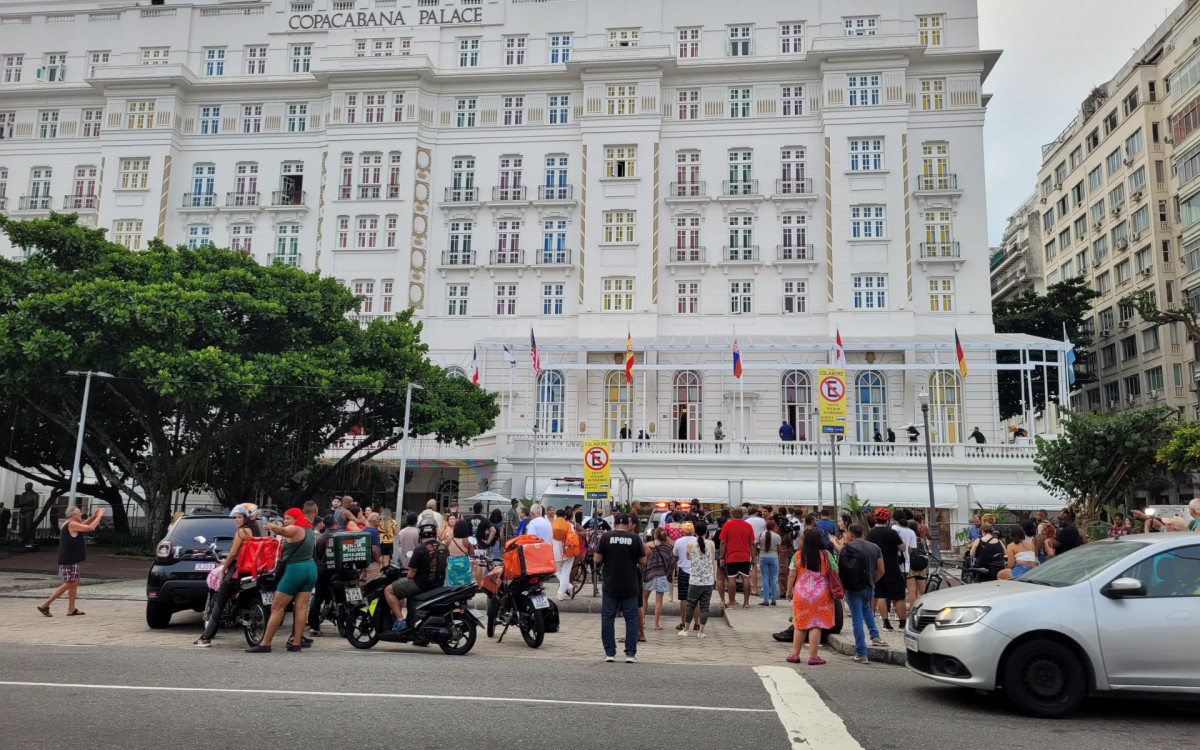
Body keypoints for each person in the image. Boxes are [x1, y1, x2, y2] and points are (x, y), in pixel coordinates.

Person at [247, 508, 318, 653]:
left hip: (295, 571)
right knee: (301, 607)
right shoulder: (309, 530)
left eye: (289, 518)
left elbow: (284, 531)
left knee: (276, 607)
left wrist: (271, 526)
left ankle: (266, 643)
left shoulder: (295, 528)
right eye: (285, 518)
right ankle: (296, 643)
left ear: (297, 519)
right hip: (310, 569)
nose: (286, 521)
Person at [35, 505, 104, 618]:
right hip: (69, 559)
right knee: (70, 582)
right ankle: (45, 604)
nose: (81, 514)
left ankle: (71, 608)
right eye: (79, 512)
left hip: (72, 558)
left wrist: (94, 516)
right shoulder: (71, 524)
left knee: (75, 581)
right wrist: (100, 515)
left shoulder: (70, 523)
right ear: (73, 515)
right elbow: (91, 527)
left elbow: (84, 524)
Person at [595, 513, 647, 663]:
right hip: (630, 584)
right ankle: (630, 654)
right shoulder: (635, 538)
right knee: (631, 619)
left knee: (607, 618)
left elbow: (597, 558)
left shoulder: (606, 537)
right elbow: (643, 559)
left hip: (610, 584)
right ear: (628, 524)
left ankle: (610, 653)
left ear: (615, 523)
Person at [831, 522, 886, 663]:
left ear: (851, 534)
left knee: (857, 619)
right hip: (868, 587)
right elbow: (881, 570)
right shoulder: (874, 547)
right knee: (866, 608)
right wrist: (872, 580)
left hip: (852, 588)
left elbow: (839, 569)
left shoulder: (846, 548)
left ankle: (861, 653)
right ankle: (875, 636)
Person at [383, 522, 447, 632]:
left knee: (388, 590)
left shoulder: (420, 549)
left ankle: (400, 620)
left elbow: (411, 573)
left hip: (421, 584)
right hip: (438, 583)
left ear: (421, 534)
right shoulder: (443, 547)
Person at [786, 529, 835, 665]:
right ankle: (813, 657)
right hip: (821, 595)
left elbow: (791, 574)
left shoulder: (797, 555)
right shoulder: (826, 555)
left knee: (800, 624)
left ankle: (794, 654)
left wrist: (788, 591)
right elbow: (835, 571)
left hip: (801, 594)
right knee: (816, 624)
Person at [866, 508, 906, 629]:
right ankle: (902, 622)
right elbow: (903, 548)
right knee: (898, 596)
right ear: (887, 520)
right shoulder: (892, 533)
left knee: (881, 595)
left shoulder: (871, 533)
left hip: (877, 568)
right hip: (892, 567)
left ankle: (886, 622)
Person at [680, 520, 716, 638]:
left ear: (694, 532)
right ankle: (701, 631)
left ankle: (685, 629)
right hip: (708, 580)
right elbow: (712, 560)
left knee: (691, 605)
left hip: (694, 580)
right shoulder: (711, 544)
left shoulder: (690, 544)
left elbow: (688, 557)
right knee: (705, 606)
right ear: (706, 531)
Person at [719, 506, 756, 610]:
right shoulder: (748, 526)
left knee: (731, 579)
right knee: (746, 578)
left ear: (732, 515)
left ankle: (731, 602)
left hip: (731, 556)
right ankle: (746, 603)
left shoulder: (727, 525)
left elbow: (722, 542)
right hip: (744, 556)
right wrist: (753, 558)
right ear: (742, 515)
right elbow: (752, 543)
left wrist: (721, 557)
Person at [641, 527, 674, 631]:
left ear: (654, 535)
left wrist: (643, 574)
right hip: (662, 576)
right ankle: (656, 624)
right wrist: (669, 576)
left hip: (649, 574)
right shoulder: (668, 547)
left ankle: (642, 622)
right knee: (659, 601)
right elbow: (672, 563)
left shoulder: (648, 545)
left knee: (644, 599)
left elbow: (642, 560)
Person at [890, 509, 919, 605]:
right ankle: (909, 608)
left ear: (894, 518)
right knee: (907, 588)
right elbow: (911, 549)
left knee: (893, 589)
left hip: (892, 562)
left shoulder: (892, 528)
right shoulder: (911, 532)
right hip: (906, 563)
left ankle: (894, 608)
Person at [672, 521, 696, 630]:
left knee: (683, 599)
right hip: (696, 572)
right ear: (693, 531)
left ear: (682, 530)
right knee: (696, 599)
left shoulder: (678, 541)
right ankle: (697, 623)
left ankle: (683, 622)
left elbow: (675, 556)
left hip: (683, 571)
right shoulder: (698, 541)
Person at [968, 514, 1006, 582]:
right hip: (996, 570)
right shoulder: (999, 541)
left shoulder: (978, 541)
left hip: (982, 570)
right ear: (992, 531)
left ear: (982, 531)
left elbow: (972, 555)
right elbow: (1005, 553)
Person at [552, 505, 575, 601]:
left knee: (557, 571)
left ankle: (563, 591)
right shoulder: (570, 525)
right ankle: (565, 589)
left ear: (556, 516)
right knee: (566, 573)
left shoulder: (552, 525)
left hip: (556, 552)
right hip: (568, 552)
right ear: (565, 516)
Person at [757, 520, 781, 606]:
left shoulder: (760, 534)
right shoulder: (777, 536)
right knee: (773, 578)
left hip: (763, 557)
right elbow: (779, 549)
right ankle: (773, 599)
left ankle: (766, 599)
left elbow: (756, 544)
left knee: (765, 578)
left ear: (766, 526)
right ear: (774, 527)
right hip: (774, 557)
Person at [445, 518, 474, 587]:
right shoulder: (468, 541)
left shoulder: (449, 540)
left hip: (452, 563)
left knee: (452, 584)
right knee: (465, 585)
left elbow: (446, 553)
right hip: (464, 563)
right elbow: (472, 554)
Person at [360, 513, 384, 585]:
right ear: (375, 521)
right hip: (372, 562)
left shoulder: (363, 530)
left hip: (364, 561)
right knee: (371, 584)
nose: (380, 521)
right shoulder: (374, 532)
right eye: (380, 519)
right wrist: (379, 562)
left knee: (361, 583)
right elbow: (374, 550)